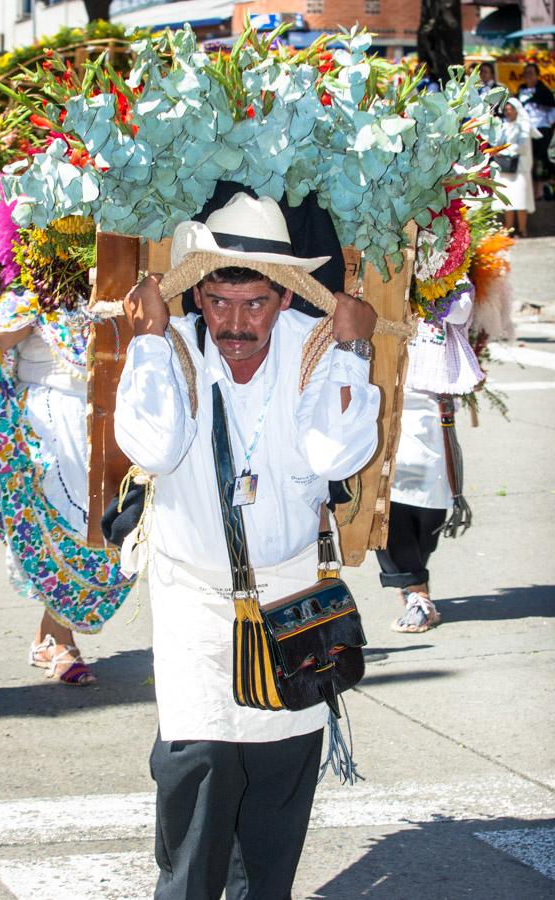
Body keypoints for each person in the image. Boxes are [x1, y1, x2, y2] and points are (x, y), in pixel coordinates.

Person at [114, 192, 380, 899]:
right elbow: (152, 445)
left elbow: (334, 451)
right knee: (195, 776)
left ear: (284, 296)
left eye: (254, 304)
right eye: (219, 301)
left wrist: (355, 350)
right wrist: (145, 338)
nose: (235, 323)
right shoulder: (170, 344)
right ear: (198, 291)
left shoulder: (316, 347)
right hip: (195, 600)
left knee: (277, 786)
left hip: (291, 594)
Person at [0, 228, 135, 685]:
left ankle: (49, 635)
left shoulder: (117, 288)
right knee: (68, 531)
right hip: (50, 435)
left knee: (114, 536)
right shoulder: (29, 296)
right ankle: (59, 640)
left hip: (110, 429)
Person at [376, 280, 482, 633]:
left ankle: (415, 584)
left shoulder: (453, 276)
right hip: (381, 400)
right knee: (387, 503)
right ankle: (414, 589)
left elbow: (460, 309)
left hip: (430, 411)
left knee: (427, 504)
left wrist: (430, 280)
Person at [493, 98, 537, 238]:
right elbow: (497, 143)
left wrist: (504, 151)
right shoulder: (504, 126)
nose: (507, 112)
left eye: (510, 109)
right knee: (508, 200)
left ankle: (522, 229)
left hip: (520, 169)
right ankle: (509, 229)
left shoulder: (524, 126)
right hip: (506, 168)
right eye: (505, 110)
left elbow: (522, 147)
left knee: (521, 200)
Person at [516, 63, 555, 200]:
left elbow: (552, 109)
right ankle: (529, 191)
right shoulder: (521, 90)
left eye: (531, 73)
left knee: (542, 159)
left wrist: (546, 125)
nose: (528, 75)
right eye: (526, 73)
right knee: (527, 160)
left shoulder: (544, 91)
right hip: (525, 130)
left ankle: (540, 191)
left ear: (537, 75)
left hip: (541, 129)